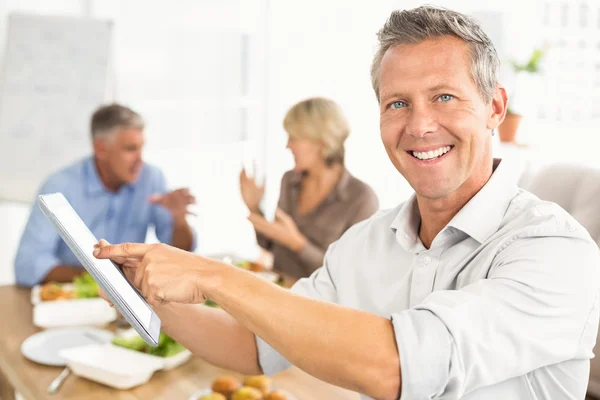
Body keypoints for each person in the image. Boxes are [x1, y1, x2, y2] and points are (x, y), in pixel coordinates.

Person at [94, 7, 600, 400]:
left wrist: (211, 275)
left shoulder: (554, 250)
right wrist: (142, 290)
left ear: (494, 107)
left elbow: (398, 366)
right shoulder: (365, 244)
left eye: (444, 97)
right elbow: (252, 345)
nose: (420, 124)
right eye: (397, 103)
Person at [14, 104, 197, 287]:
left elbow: (180, 254)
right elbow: (27, 264)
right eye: (130, 149)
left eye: (141, 148)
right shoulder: (60, 186)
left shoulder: (151, 178)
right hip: (75, 296)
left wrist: (178, 220)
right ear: (101, 149)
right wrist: (106, 277)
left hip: (130, 296)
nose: (140, 160)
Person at [240, 97, 378, 278]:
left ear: (321, 142)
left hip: (318, 304)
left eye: (294, 137)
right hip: (278, 293)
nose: (287, 145)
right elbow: (270, 245)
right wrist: (253, 206)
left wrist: (297, 243)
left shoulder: (361, 198)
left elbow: (350, 274)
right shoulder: (289, 181)